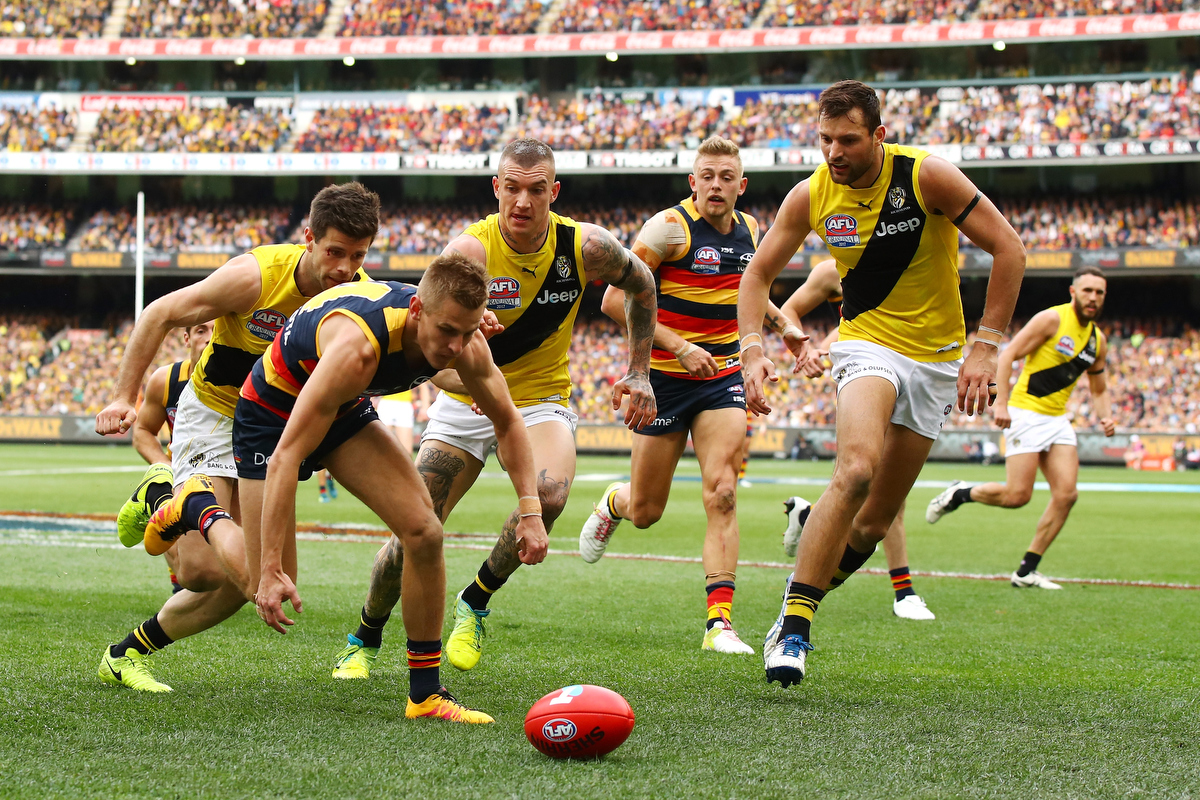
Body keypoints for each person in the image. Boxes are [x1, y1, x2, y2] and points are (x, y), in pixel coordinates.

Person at [150, 257, 535, 723]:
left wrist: (530, 510)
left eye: (468, 331)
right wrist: (270, 568)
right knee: (256, 583)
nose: (456, 346)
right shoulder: (358, 350)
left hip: (340, 405)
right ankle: (192, 507)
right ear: (416, 310)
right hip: (271, 410)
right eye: (447, 331)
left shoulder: (465, 343)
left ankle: (425, 695)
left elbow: (509, 420)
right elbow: (287, 454)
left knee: (425, 533)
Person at [331, 138, 658, 678]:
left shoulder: (586, 247)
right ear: (496, 189)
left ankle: (475, 600)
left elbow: (641, 283)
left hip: (537, 400)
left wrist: (639, 370)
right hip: (464, 399)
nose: (523, 202)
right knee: (411, 535)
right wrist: (464, 375)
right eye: (512, 188)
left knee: (549, 495)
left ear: (554, 192)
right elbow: (421, 338)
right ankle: (365, 633)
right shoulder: (469, 253)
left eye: (536, 190)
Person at [738, 80, 1025, 688]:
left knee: (871, 524)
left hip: (941, 359)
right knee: (857, 468)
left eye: (847, 140)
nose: (834, 152)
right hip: (866, 344)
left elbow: (1009, 249)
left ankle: (802, 585)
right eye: (824, 139)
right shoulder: (810, 194)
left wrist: (987, 345)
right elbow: (758, 272)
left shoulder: (928, 177)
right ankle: (794, 627)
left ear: (879, 135)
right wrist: (752, 348)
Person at [94, 182, 378, 693]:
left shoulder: (355, 293)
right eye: (334, 252)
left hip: (270, 431)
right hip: (217, 416)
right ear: (309, 238)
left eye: (357, 256)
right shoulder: (255, 276)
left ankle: (125, 654)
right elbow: (158, 312)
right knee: (204, 572)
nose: (344, 268)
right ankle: (168, 497)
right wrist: (122, 396)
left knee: (264, 581)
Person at [578, 136, 804, 654]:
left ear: (741, 185)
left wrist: (781, 325)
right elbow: (615, 298)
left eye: (727, 177)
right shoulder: (667, 229)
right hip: (663, 381)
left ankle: (719, 623)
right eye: (708, 176)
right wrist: (679, 347)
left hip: (721, 377)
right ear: (693, 182)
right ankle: (615, 502)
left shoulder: (750, 232)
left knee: (722, 491)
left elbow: (751, 290)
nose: (717, 185)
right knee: (646, 512)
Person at [926, 267, 1113, 590]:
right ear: (1073, 292)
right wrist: (1002, 403)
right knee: (1017, 496)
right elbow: (1009, 352)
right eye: (1088, 291)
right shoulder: (1052, 320)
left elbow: (1098, 388)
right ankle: (960, 493)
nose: (1093, 298)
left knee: (1067, 495)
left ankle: (1026, 571)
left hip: (1058, 420)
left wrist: (1105, 416)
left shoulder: (1098, 341)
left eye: (1099, 293)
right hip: (1026, 414)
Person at [776, 258, 935, 621]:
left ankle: (810, 519)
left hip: (919, 368)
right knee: (874, 484)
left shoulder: (918, 250)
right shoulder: (831, 270)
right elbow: (790, 311)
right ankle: (903, 590)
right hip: (867, 371)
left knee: (881, 496)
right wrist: (807, 348)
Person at [115, 321, 214, 595]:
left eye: (217, 331)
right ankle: (159, 502)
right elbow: (143, 431)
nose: (208, 338)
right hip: (185, 474)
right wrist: (169, 471)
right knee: (194, 576)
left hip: (229, 472)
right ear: (186, 338)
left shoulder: (247, 377)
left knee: (224, 570)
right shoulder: (167, 380)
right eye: (201, 331)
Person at [376, 389, 415, 454]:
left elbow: (423, 385)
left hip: (404, 404)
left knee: (407, 451)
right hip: (386, 403)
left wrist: (425, 406)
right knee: (381, 447)